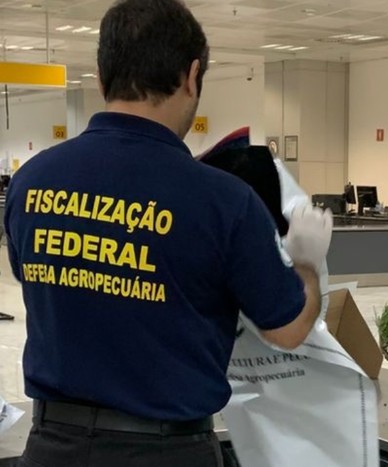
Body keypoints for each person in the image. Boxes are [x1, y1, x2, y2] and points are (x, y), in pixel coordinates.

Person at [2, 1, 332, 466]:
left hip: (52, 449)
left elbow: (44, 283)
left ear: (101, 78)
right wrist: (307, 264)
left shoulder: (30, 183)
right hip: (167, 452)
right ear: (192, 76)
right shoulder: (224, 201)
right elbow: (290, 329)